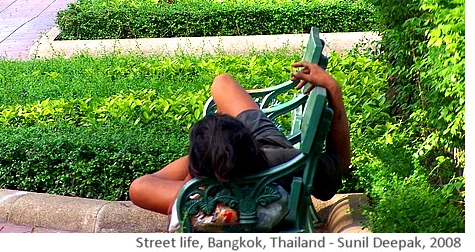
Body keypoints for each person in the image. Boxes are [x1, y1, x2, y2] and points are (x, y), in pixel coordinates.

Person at [129, 62, 350, 219]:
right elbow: (340, 162)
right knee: (222, 82)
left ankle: (213, 154)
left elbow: (141, 186)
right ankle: (216, 152)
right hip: (266, 155)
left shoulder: (194, 196)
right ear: (248, 140)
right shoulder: (285, 161)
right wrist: (334, 89)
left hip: (219, 175)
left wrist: (200, 167)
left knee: (138, 188)